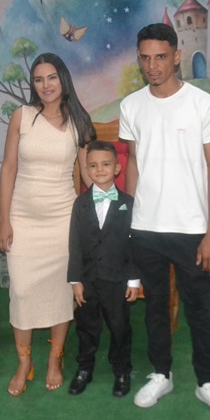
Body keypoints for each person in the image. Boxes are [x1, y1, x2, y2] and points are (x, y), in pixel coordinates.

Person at [118, 23, 210, 418]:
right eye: (145, 58)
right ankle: (161, 374)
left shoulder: (202, 104)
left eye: (161, 57)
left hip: (191, 229)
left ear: (177, 56)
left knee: (198, 307)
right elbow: (134, 164)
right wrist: (130, 222)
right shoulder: (131, 106)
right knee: (154, 307)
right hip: (146, 227)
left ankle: (207, 383)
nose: (152, 66)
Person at [0, 53, 96, 397]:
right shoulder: (21, 117)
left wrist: (110, 204)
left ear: (63, 79)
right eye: (38, 79)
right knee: (22, 291)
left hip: (63, 220)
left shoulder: (79, 121)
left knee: (60, 293)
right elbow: (8, 168)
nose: (45, 85)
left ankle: (55, 358)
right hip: (23, 219)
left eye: (51, 77)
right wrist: (4, 220)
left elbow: (87, 175)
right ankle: (24, 361)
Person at [67, 140, 140, 398]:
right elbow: (74, 243)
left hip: (117, 279)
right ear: (86, 169)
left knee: (119, 327)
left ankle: (121, 370)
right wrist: (75, 280)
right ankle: (84, 368)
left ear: (117, 168)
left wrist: (133, 280)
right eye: (93, 166)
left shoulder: (128, 203)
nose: (99, 170)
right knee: (86, 327)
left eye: (106, 164)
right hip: (88, 280)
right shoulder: (80, 204)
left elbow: (134, 245)